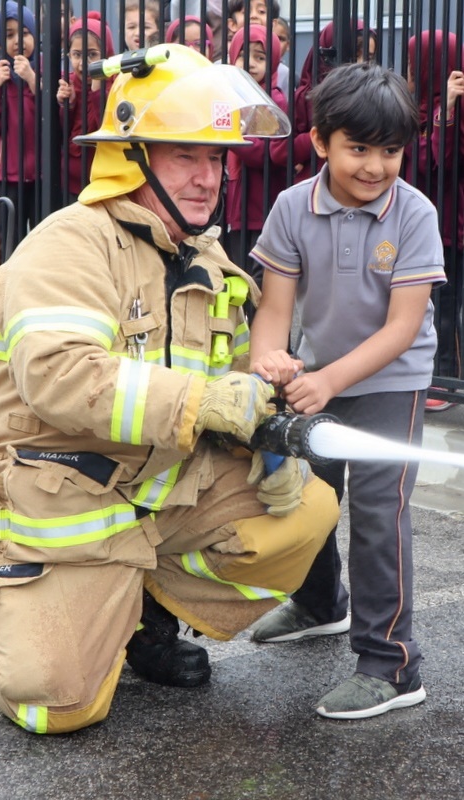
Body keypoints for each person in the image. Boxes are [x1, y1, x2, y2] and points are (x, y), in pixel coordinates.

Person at [0, 44, 339, 734]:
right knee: (57, 704)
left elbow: (232, 376)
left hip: (156, 491)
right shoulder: (70, 247)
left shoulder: (206, 261)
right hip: (57, 495)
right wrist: (202, 403)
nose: (208, 178)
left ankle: (142, 616)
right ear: (131, 156)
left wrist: (265, 428)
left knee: (304, 511)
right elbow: (60, 375)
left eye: (216, 159)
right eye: (185, 156)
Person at [248, 62, 446, 720]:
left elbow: (402, 327)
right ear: (319, 142)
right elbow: (274, 308)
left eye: (389, 151)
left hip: (392, 384)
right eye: (357, 148)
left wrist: (326, 377)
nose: (374, 166)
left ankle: (390, 663)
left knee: (375, 518)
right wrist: (268, 360)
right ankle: (316, 604)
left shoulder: (413, 213)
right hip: (317, 379)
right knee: (304, 499)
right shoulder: (290, 208)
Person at [406, 31, 464, 411]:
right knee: (423, 301)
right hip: (421, 222)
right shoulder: (414, 108)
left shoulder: (450, 107)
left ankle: (444, 380)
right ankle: (429, 376)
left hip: (451, 223)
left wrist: (448, 113)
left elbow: (440, 162)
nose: (409, 74)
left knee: (445, 306)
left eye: (413, 66)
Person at [225, 24, 287, 321]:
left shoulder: (275, 100)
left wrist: (230, 134)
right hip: (237, 206)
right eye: (243, 56)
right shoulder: (229, 98)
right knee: (236, 281)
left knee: (263, 286)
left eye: (260, 57)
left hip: (263, 205)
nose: (250, 63)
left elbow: (265, 154)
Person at [0, 1, 38, 261]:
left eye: (24, 33)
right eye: (10, 35)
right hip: (6, 174)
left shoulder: (43, 72)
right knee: (8, 242)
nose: (18, 41)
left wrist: (32, 80)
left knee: (40, 239)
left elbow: (55, 120)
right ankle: (5, 296)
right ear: (0, 42)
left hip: (40, 175)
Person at [292, 21, 377, 184]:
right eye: (354, 55)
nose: (361, 64)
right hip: (315, 187)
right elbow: (281, 151)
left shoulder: (374, 96)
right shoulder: (305, 96)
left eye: (368, 58)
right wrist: (324, 135)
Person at [57, 11, 115, 201]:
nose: (84, 63)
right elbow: (60, 133)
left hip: (101, 180)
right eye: (77, 55)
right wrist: (68, 104)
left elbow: (105, 128)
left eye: (92, 55)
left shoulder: (115, 84)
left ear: (106, 54)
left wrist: (98, 88)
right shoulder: (68, 83)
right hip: (69, 182)